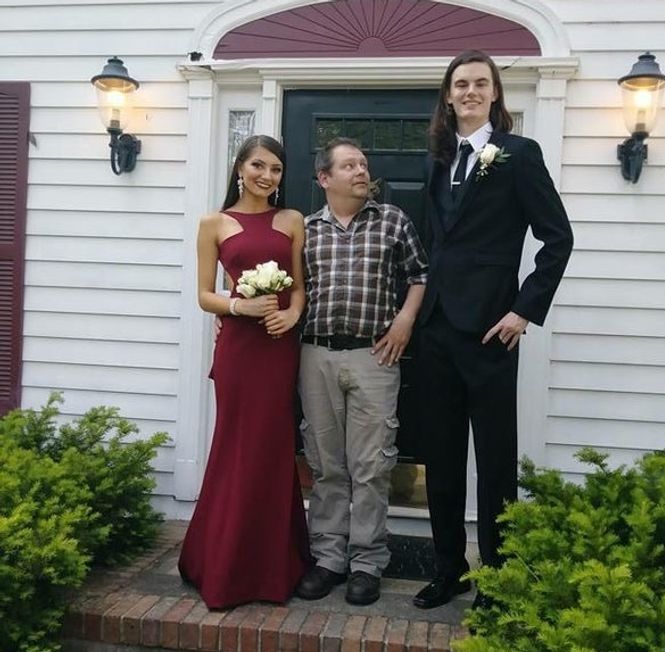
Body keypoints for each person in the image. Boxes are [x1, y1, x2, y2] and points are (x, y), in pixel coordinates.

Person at [413, 50, 573, 610]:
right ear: (448, 95)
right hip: (436, 329)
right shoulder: (437, 159)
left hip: (491, 331)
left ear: (495, 93)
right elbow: (436, 243)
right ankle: (449, 570)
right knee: (441, 458)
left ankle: (498, 579)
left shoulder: (519, 155)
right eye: (461, 84)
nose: (471, 92)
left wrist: (523, 311)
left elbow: (558, 238)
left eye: (481, 83)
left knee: (496, 461)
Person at [294, 137, 428, 606]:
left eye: (364, 164)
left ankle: (367, 563)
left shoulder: (392, 220)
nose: (361, 171)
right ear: (324, 178)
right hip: (316, 355)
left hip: (375, 357)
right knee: (325, 464)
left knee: (372, 466)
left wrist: (405, 321)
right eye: (349, 165)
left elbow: (420, 275)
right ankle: (328, 558)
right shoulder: (304, 230)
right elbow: (290, 291)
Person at [178, 135, 310, 609]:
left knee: (273, 447)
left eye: (276, 169)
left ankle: (274, 567)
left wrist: (291, 315)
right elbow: (203, 295)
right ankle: (223, 562)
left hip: (278, 347)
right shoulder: (213, 223)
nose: (266, 176)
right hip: (238, 349)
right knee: (235, 447)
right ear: (239, 167)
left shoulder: (292, 220)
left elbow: (300, 288)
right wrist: (239, 306)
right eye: (258, 165)